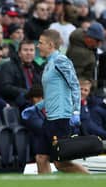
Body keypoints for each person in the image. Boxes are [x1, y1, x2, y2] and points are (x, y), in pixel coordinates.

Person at [22, 29, 88, 174]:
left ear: (50, 44)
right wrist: (37, 108)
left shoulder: (60, 60)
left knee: (61, 163)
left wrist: (76, 111)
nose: (38, 46)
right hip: (50, 118)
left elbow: (75, 85)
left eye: (40, 43)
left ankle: (93, 181)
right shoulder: (49, 64)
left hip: (60, 119)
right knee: (41, 157)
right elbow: (53, 94)